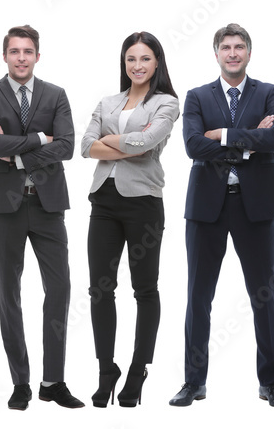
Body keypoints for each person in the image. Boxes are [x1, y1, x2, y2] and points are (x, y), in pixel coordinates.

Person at [170, 23, 274, 408]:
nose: (233, 53)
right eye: (226, 47)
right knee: (198, 296)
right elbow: (193, 146)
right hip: (207, 207)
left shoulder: (269, 93)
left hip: (256, 206)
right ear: (216, 54)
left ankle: (271, 382)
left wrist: (219, 135)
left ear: (249, 53)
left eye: (239, 47)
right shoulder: (196, 97)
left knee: (264, 295)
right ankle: (193, 382)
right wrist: (248, 139)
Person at [0, 24, 83, 410]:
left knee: (60, 289)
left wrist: (18, 155)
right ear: (5, 55)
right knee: (9, 293)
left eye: (27, 51)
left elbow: (67, 146)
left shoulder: (56, 95)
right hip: (3, 208)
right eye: (14, 51)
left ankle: (52, 381)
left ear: (38, 55)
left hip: (47, 205)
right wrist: (41, 139)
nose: (21, 58)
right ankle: (20, 382)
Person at [80, 31, 179, 408]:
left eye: (145, 59)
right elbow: (85, 146)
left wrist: (110, 142)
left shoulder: (167, 102)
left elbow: (148, 143)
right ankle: (107, 370)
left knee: (145, 288)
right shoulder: (107, 101)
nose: (137, 66)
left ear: (157, 63)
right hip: (104, 202)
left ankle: (138, 369)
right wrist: (130, 144)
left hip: (143, 203)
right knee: (99, 289)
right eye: (131, 59)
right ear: (124, 63)